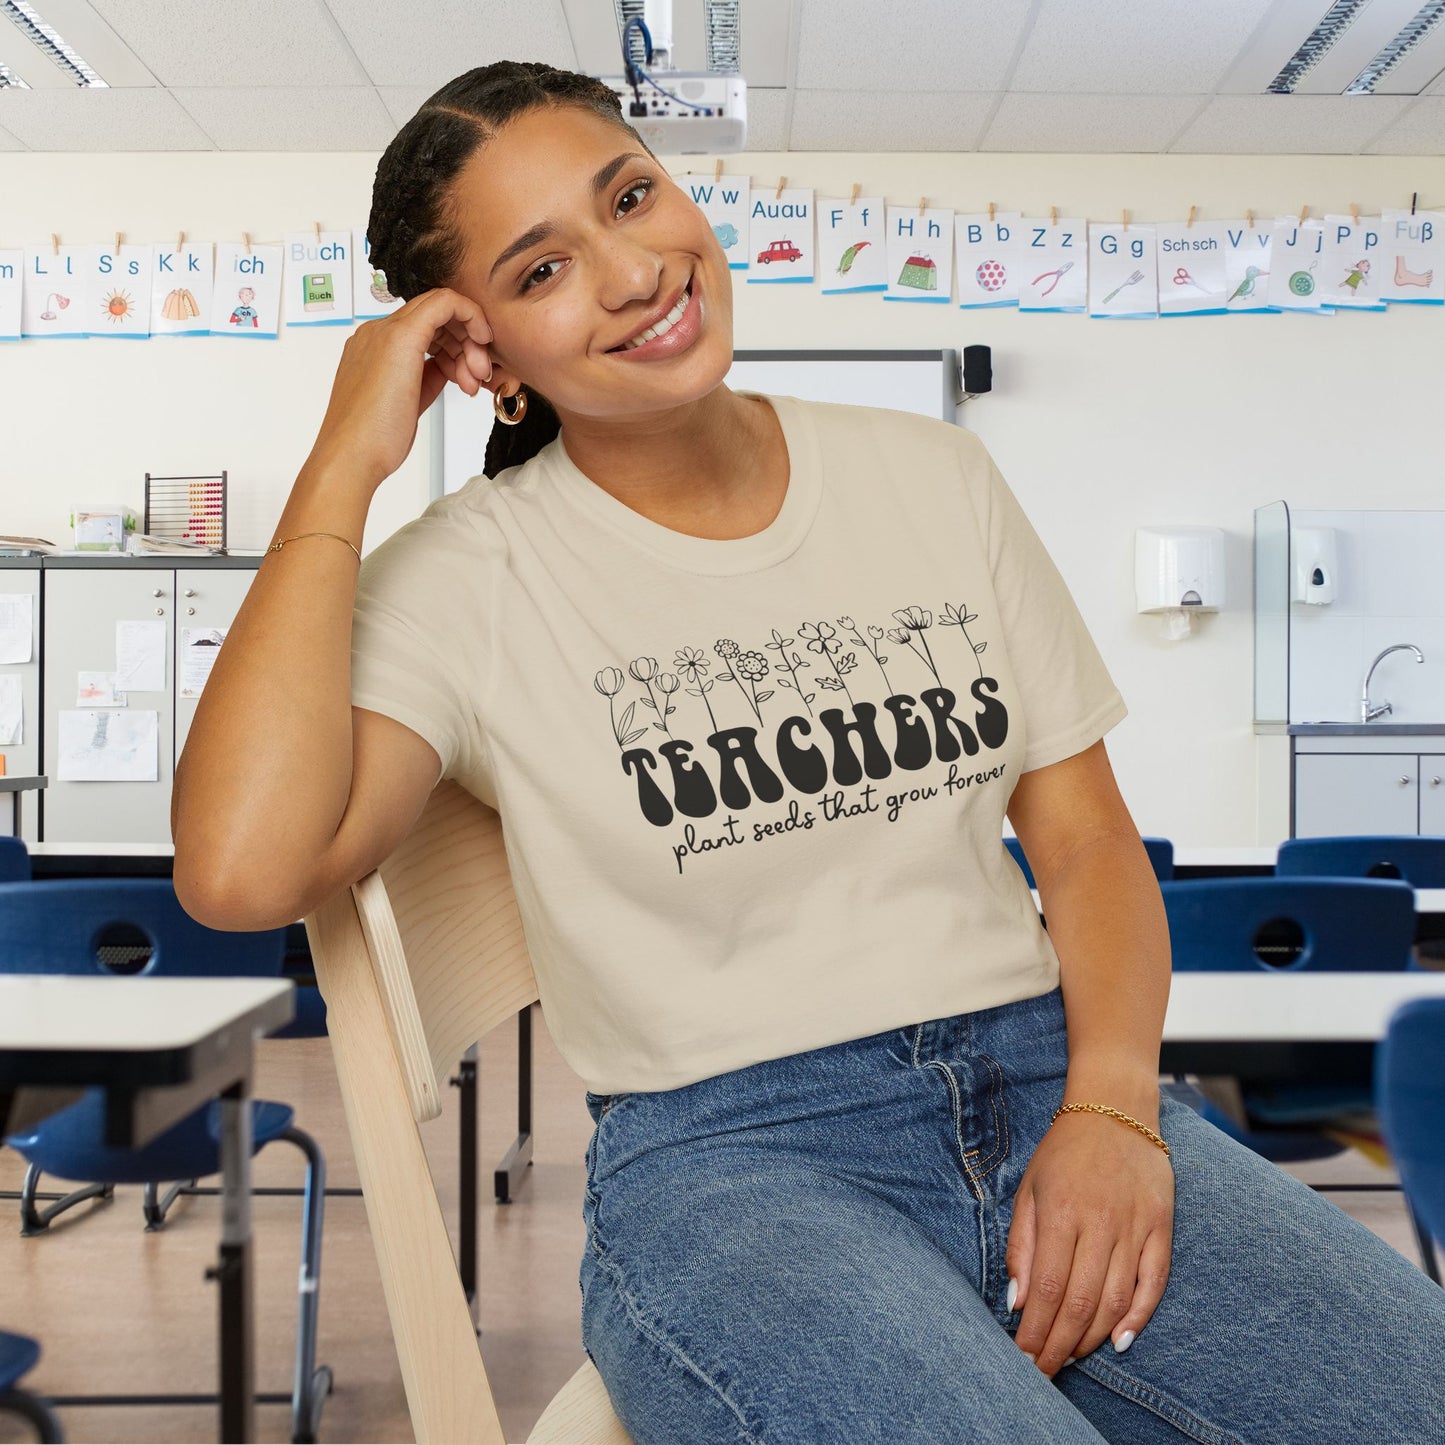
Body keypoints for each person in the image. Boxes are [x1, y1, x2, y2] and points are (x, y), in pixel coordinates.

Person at [172, 61, 1445, 1445]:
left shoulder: (933, 476)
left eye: (631, 196)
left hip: (1042, 1076)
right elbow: (243, 872)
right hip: (731, 1163)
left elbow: (1083, 845)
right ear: (481, 354)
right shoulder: (464, 576)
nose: (632, 271)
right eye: (542, 269)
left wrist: (1114, 1108)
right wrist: (339, 464)